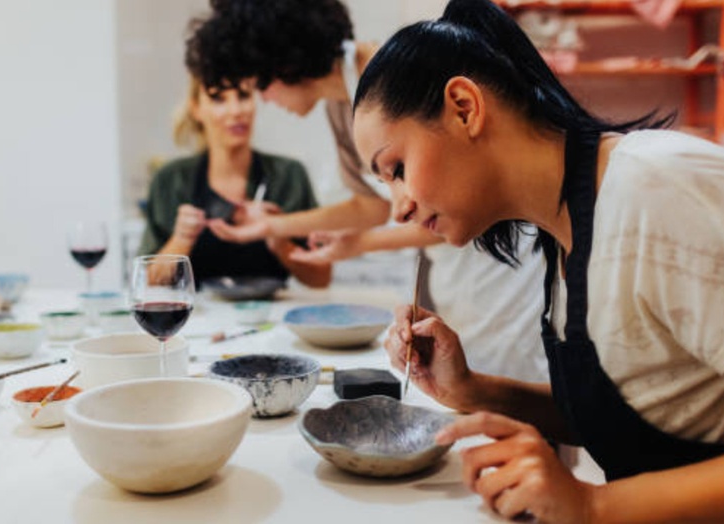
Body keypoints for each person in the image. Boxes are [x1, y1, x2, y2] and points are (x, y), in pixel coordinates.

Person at [352, 0, 724, 521]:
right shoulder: (562, 229)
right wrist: (472, 389)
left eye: (398, 167)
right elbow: (629, 413)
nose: (400, 207)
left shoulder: (657, 189)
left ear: (463, 107)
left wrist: (593, 503)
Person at [186, 0, 548, 382]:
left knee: (517, 394)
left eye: (261, 86)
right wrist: (271, 227)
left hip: (497, 266)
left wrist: (358, 244)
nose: (265, 101)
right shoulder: (343, 101)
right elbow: (372, 206)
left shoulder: (388, 87)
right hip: (458, 273)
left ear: (285, 65)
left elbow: (438, 205)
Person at [138, 75, 331, 289]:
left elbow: (321, 279)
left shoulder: (289, 176)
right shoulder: (170, 180)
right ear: (196, 109)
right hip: (198, 318)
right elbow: (147, 283)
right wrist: (181, 239)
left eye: (243, 96)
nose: (236, 110)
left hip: (270, 318)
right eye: (218, 98)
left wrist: (278, 238)